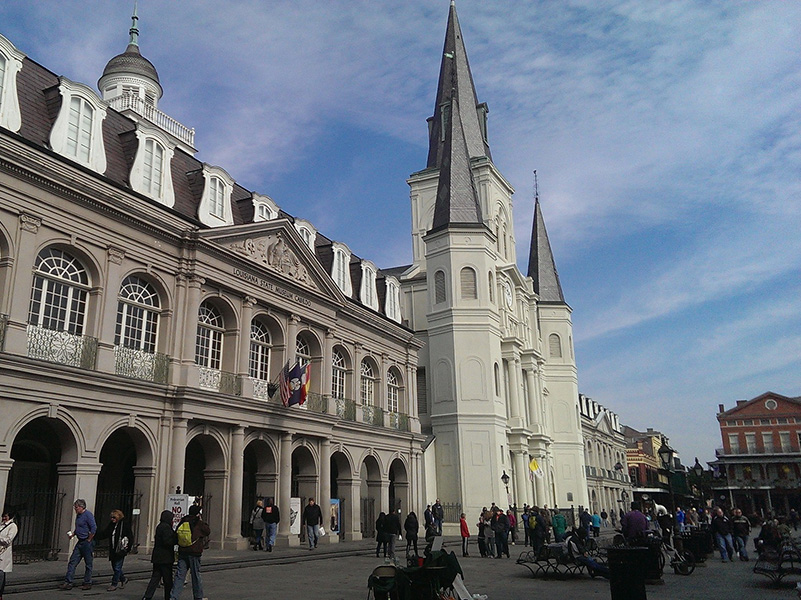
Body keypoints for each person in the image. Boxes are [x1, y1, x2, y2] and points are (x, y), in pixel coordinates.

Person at [170, 504, 210, 600]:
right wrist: (201, 520)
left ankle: (174, 597)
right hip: (194, 552)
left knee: (180, 575)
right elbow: (207, 531)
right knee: (196, 575)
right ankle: (198, 596)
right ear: (197, 513)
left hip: (183, 551)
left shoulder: (183, 520)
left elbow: (176, 533)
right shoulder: (198, 523)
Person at [59, 499, 97, 591]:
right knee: (72, 561)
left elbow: (93, 527)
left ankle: (87, 582)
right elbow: (79, 528)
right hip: (80, 541)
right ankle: (68, 582)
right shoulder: (78, 516)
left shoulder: (88, 515)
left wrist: (89, 539)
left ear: (81, 507)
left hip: (86, 542)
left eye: (76, 507)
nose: (75, 509)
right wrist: (73, 534)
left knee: (88, 563)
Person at [94, 509, 133, 591]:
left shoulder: (124, 524)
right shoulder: (112, 525)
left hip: (121, 550)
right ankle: (123, 579)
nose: (112, 519)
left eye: (114, 517)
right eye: (111, 517)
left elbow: (130, 536)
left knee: (117, 567)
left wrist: (128, 548)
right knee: (115, 567)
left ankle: (114, 584)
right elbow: (105, 533)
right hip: (113, 549)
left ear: (118, 517)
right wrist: (95, 535)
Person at [142, 510, 175, 600]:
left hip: (157, 557)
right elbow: (168, 541)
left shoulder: (159, 526)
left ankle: (147, 596)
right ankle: (168, 597)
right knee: (167, 580)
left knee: (155, 578)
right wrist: (175, 539)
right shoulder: (166, 527)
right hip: (165, 557)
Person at [0, 511, 19, 600]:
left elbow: (8, 540)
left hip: (3, 552)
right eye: (3, 516)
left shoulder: (13, 526)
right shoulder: (1, 525)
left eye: (5, 516)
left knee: (1, 573)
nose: (4, 518)